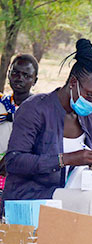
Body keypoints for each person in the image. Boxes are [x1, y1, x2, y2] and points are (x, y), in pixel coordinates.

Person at [2, 39, 92, 217]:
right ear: (73, 83)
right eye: (90, 95)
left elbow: (81, 170)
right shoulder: (35, 109)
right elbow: (14, 161)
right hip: (31, 195)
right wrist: (67, 159)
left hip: (68, 191)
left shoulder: (89, 119)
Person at [0, 54, 38, 214]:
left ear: (34, 80)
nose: (19, 78)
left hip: (25, 174)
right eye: (15, 73)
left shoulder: (39, 109)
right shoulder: (2, 105)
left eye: (26, 75)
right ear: (8, 74)